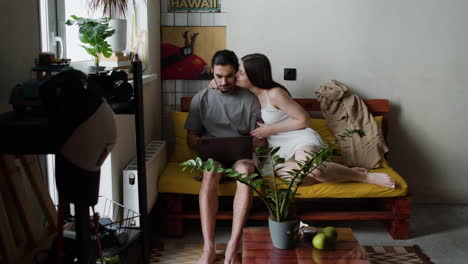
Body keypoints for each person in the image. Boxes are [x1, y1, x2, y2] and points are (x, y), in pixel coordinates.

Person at [210, 53, 395, 189]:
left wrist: (270, 129)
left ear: (254, 76)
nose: (236, 76)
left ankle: (361, 176)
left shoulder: (275, 93)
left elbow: (304, 120)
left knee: (314, 169)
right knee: (299, 179)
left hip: (298, 138)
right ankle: (340, 170)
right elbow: (222, 77)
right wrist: (213, 83)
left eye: (240, 73)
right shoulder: (245, 93)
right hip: (277, 150)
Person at [185, 50, 265, 264]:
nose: (223, 81)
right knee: (210, 172)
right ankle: (208, 248)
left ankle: (232, 246)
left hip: (241, 156)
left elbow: (260, 139)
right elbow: (190, 138)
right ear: (212, 72)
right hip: (213, 156)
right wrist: (200, 144)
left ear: (236, 73)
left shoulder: (249, 99)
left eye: (229, 76)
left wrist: (255, 141)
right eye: (219, 76)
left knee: (246, 173)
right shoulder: (201, 98)